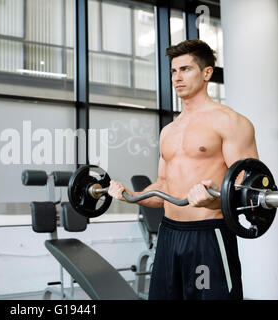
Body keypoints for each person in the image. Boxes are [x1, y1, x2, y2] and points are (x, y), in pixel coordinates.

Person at [108, 39, 258, 300]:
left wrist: (213, 201)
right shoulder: (169, 131)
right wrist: (130, 195)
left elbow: (249, 191)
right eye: (174, 71)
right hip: (168, 235)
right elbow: (163, 186)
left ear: (207, 72)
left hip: (207, 236)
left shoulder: (230, 122)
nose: (177, 77)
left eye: (186, 69)